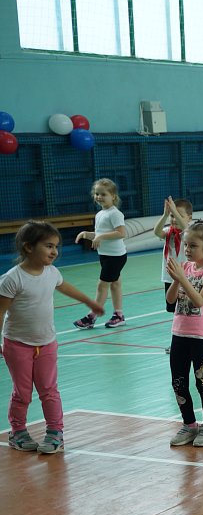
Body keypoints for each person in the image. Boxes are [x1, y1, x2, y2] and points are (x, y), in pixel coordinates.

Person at [2, 221, 102, 454]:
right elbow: (0, 311)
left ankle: (55, 432)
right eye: (48, 246)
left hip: (46, 343)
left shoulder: (52, 273)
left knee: (49, 389)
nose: (54, 251)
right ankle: (17, 432)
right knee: (22, 393)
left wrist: (89, 301)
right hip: (17, 345)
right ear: (28, 247)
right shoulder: (12, 279)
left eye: (56, 246)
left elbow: (66, 287)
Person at [164, 221, 203, 449]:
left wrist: (183, 278)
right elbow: (170, 300)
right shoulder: (186, 268)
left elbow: (199, 300)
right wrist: (177, 278)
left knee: (202, 383)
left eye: (193, 246)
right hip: (179, 334)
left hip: (202, 338)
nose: (187, 250)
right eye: (186, 245)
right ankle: (189, 424)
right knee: (178, 383)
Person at [71, 178, 129, 329]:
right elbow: (99, 234)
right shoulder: (100, 214)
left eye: (103, 194)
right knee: (115, 284)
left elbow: (121, 233)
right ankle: (119, 315)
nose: (99, 197)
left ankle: (92, 316)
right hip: (105, 255)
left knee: (102, 285)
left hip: (115, 257)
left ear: (113, 196)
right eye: (97, 194)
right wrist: (86, 234)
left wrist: (100, 237)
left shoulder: (115, 214)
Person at [153, 196, 193, 314]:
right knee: (172, 308)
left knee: (188, 308)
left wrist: (174, 211)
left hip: (187, 277)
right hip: (170, 277)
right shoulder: (169, 232)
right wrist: (165, 215)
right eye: (172, 216)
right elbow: (156, 232)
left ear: (189, 218)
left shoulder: (190, 232)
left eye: (179, 215)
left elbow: (186, 228)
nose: (174, 219)